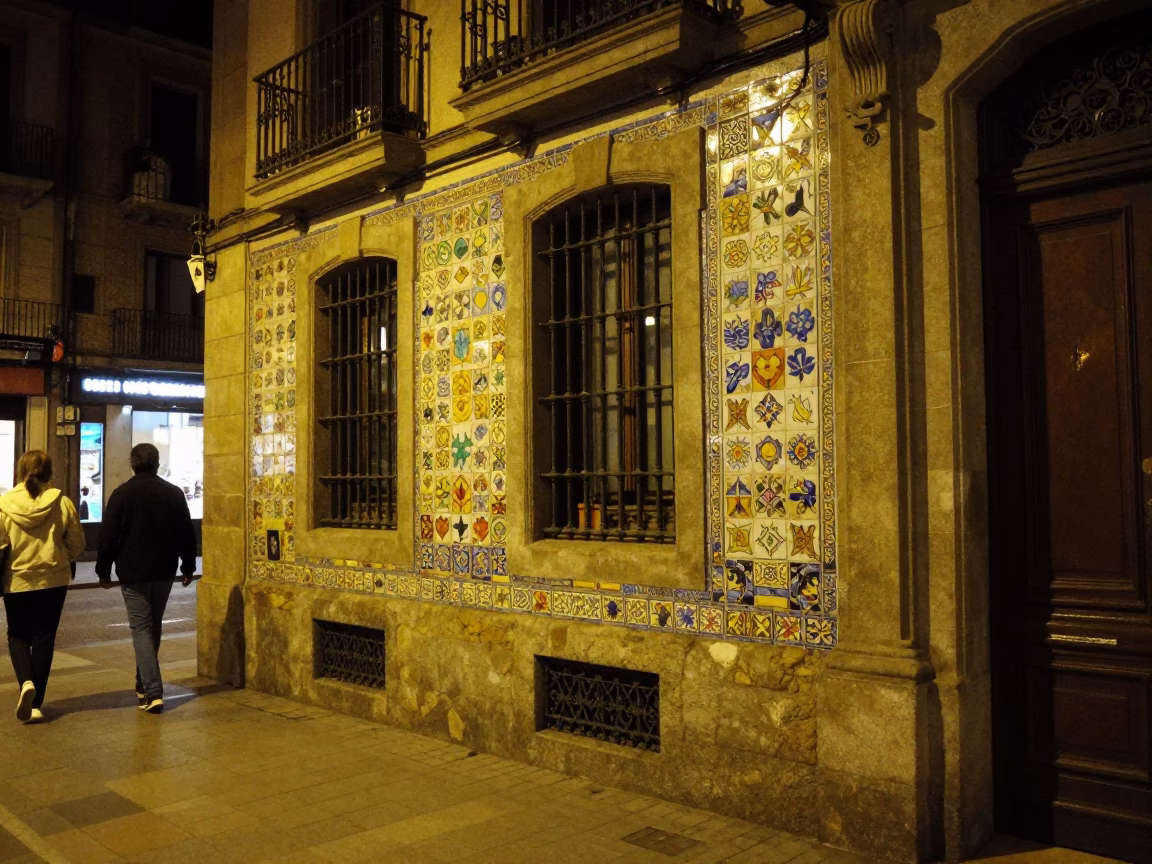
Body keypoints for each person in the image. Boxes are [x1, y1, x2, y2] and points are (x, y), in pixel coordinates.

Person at [97, 443, 196, 713]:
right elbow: (186, 533)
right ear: (157, 463)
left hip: (132, 571)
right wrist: (188, 565)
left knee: (141, 628)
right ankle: (142, 684)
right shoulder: (173, 493)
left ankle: (152, 692)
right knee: (153, 626)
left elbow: (108, 537)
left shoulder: (121, 495)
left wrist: (103, 571)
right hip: (164, 570)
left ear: (132, 464)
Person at [0, 451, 85, 723]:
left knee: (17, 635)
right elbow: (78, 543)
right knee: (44, 636)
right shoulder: (62, 502)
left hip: (17, 580)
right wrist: (64, 556)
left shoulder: (4, 504)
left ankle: (26, 682)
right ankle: (36, 703)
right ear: (50, 472)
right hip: (53, 580)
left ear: (20, 470)